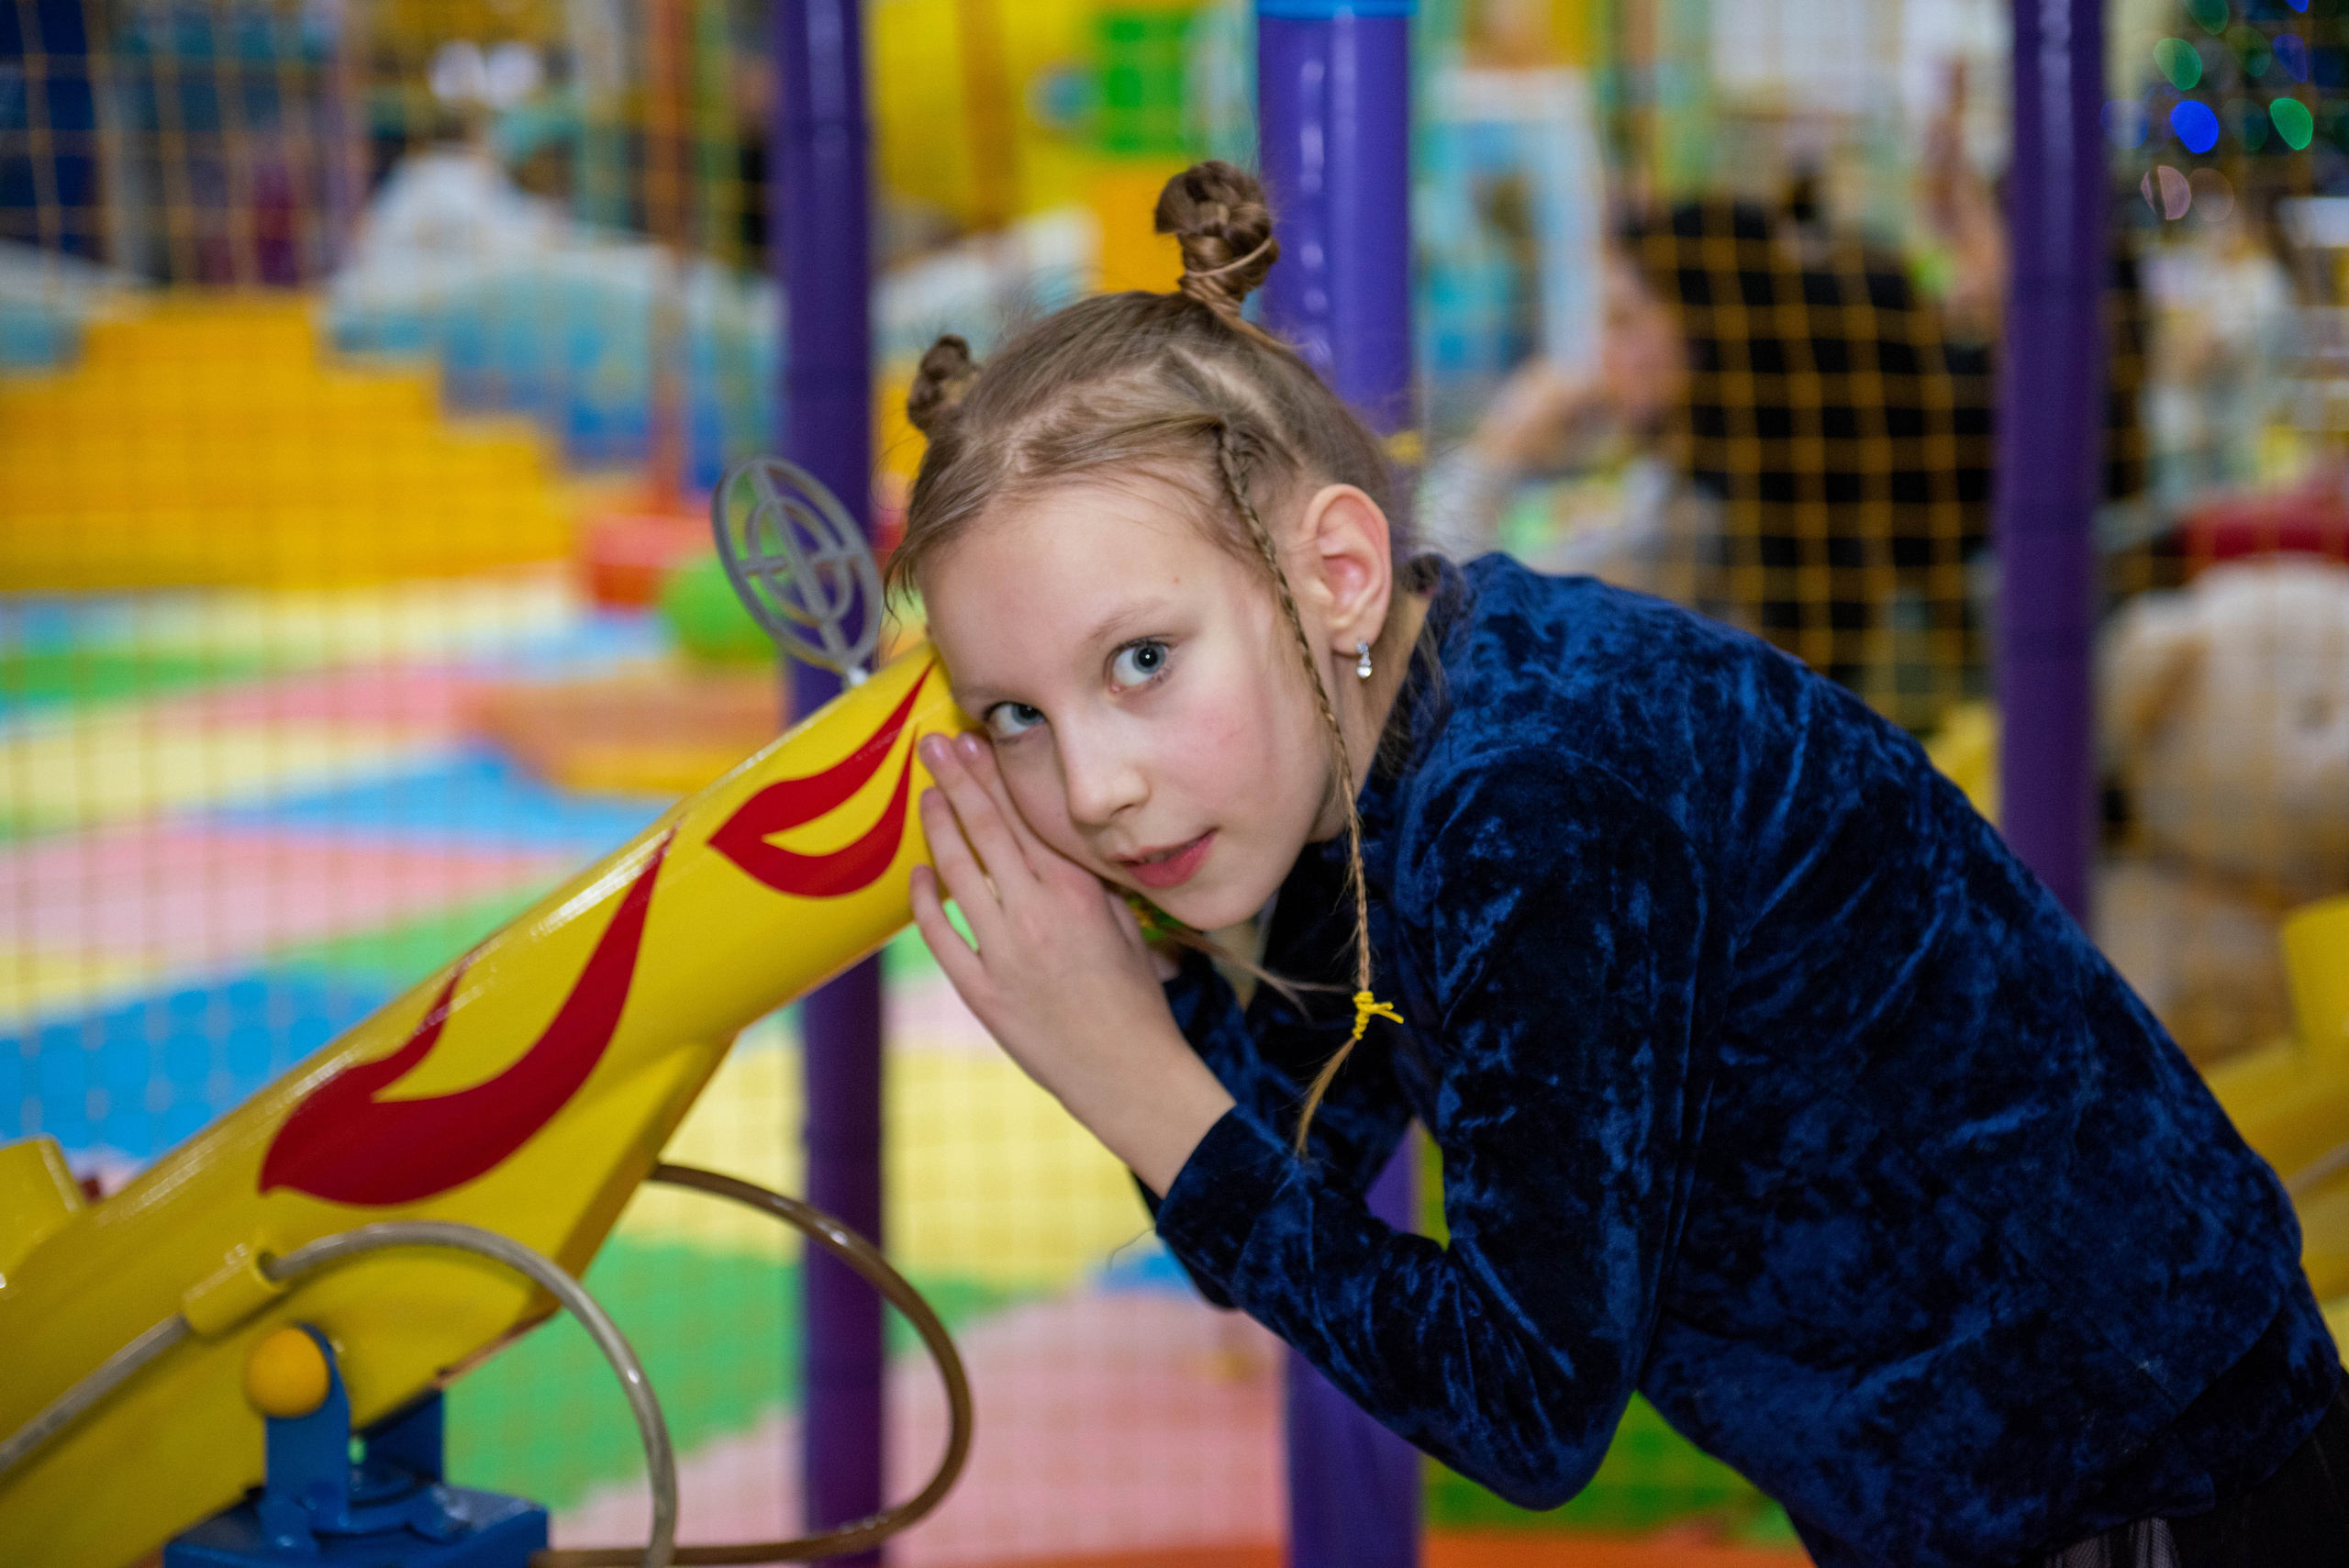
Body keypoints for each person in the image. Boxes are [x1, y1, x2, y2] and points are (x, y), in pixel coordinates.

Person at [886, 161, 2345, 1568]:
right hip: (2014, 1477)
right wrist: (1129, 1015)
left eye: (1141, 659)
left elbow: (1528, 1405)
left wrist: (1131, 1071)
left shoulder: (1533, 796)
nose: (1093, 784)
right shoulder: (1372, 738)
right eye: (1016, 713)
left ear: (1332, 572)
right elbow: (1263, 1181)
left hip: (2150, 1481)